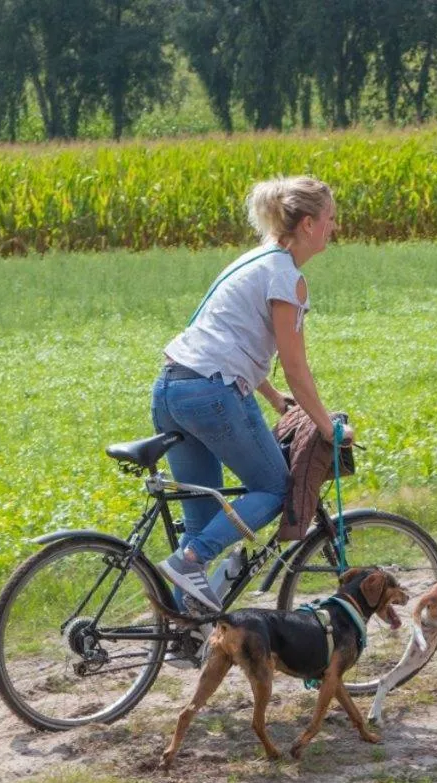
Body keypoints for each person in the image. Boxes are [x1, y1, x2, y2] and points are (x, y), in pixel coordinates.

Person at [151, 176, 353, 616]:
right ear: (306, 224)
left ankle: (181, 628)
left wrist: (275, 397)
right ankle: (188, 562)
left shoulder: (251, 261)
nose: (334, 228)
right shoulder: (286, 277)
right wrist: (327, 427)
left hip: (171, 389)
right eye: (330, 220)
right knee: (275, 487)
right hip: (211, 394)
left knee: (202, 519)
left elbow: (228, 337)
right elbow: (296, 365)